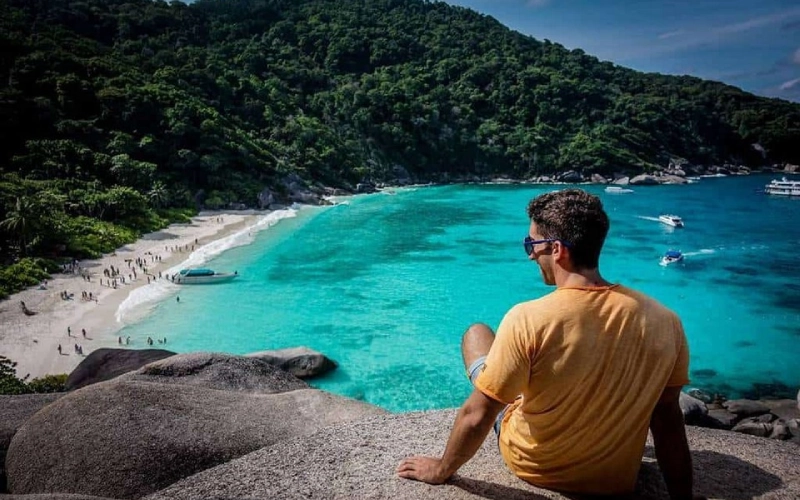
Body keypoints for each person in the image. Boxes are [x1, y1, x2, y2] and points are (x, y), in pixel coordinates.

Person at [397, 189, 701, 499]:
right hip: (614, 480)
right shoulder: (666, 321)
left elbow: (478, 415)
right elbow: (667, 419)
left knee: (476, 335)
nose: (530, 254)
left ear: (557, 250)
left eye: (532, 244)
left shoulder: (528, 318)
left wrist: (440, 470)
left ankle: (502, 380)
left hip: (536, 465)